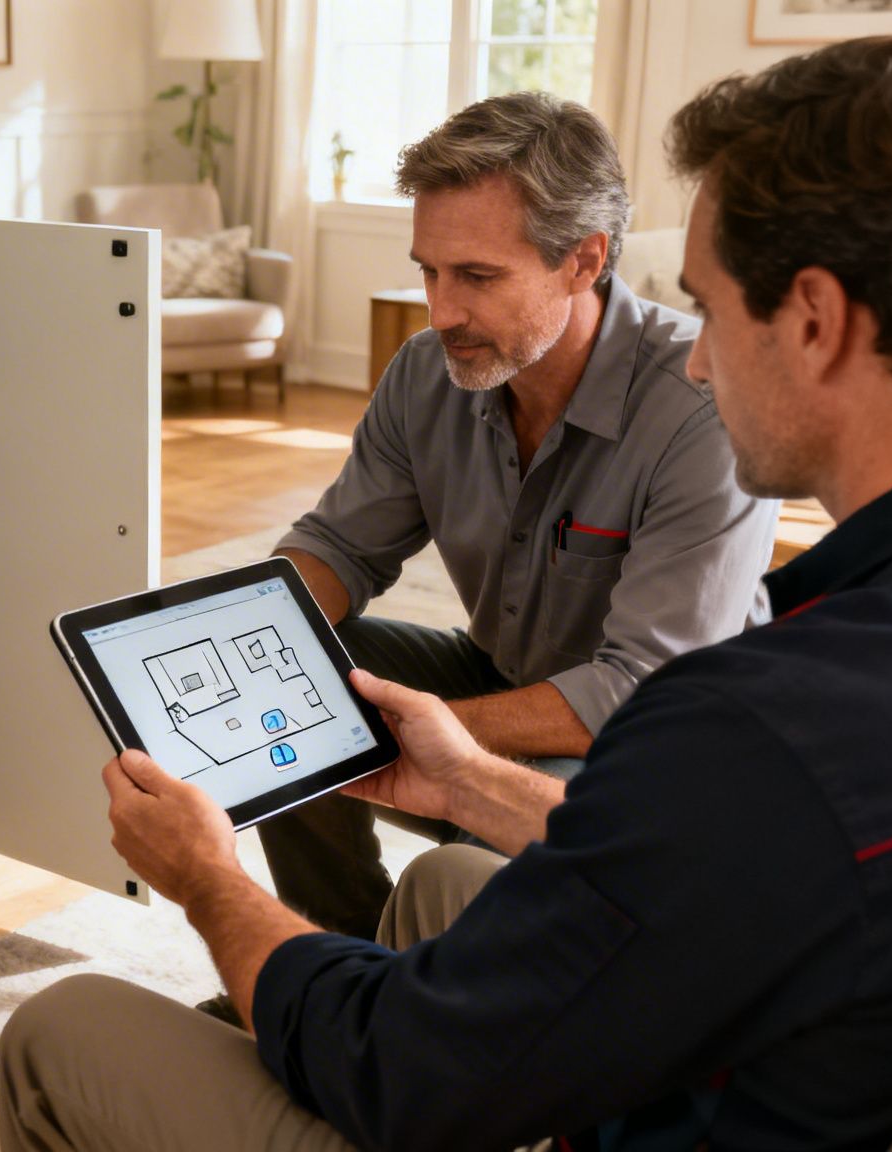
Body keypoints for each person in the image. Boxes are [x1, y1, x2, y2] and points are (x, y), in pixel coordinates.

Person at [0, 36, 892, 1152]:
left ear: (814, 320)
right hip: (816, 1043)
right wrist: (463, 781)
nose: (702, 357)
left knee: (61, 1030)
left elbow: (403, 1072)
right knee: (440, 888)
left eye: (711, 307)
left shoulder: (762, 727)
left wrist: (211, 886)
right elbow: (754, 875)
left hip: (606, 1098)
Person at [258, 90, 776, 943]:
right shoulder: (429, 373)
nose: (441, 310)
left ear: (584, 260)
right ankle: (338, 954)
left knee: (469, 878)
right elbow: (338, 547)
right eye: (429, 270)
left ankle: (421, 993)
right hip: (507, 678)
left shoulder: (701, 408)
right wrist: (233, 640)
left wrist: (416, 732)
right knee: (301, 670)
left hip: (651, 744)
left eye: (478, 277)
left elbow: (637, 685)